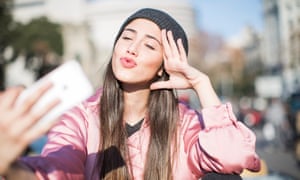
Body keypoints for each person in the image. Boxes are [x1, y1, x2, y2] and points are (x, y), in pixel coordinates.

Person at [1, 8, 261, 180]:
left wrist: (202, 84)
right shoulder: (81, 118)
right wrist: (9, 166)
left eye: (149, 45)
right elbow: (57, 170)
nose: (132, 48)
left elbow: (234, 157)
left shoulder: (185, 123)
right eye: (127, 37)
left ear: (163, 66)